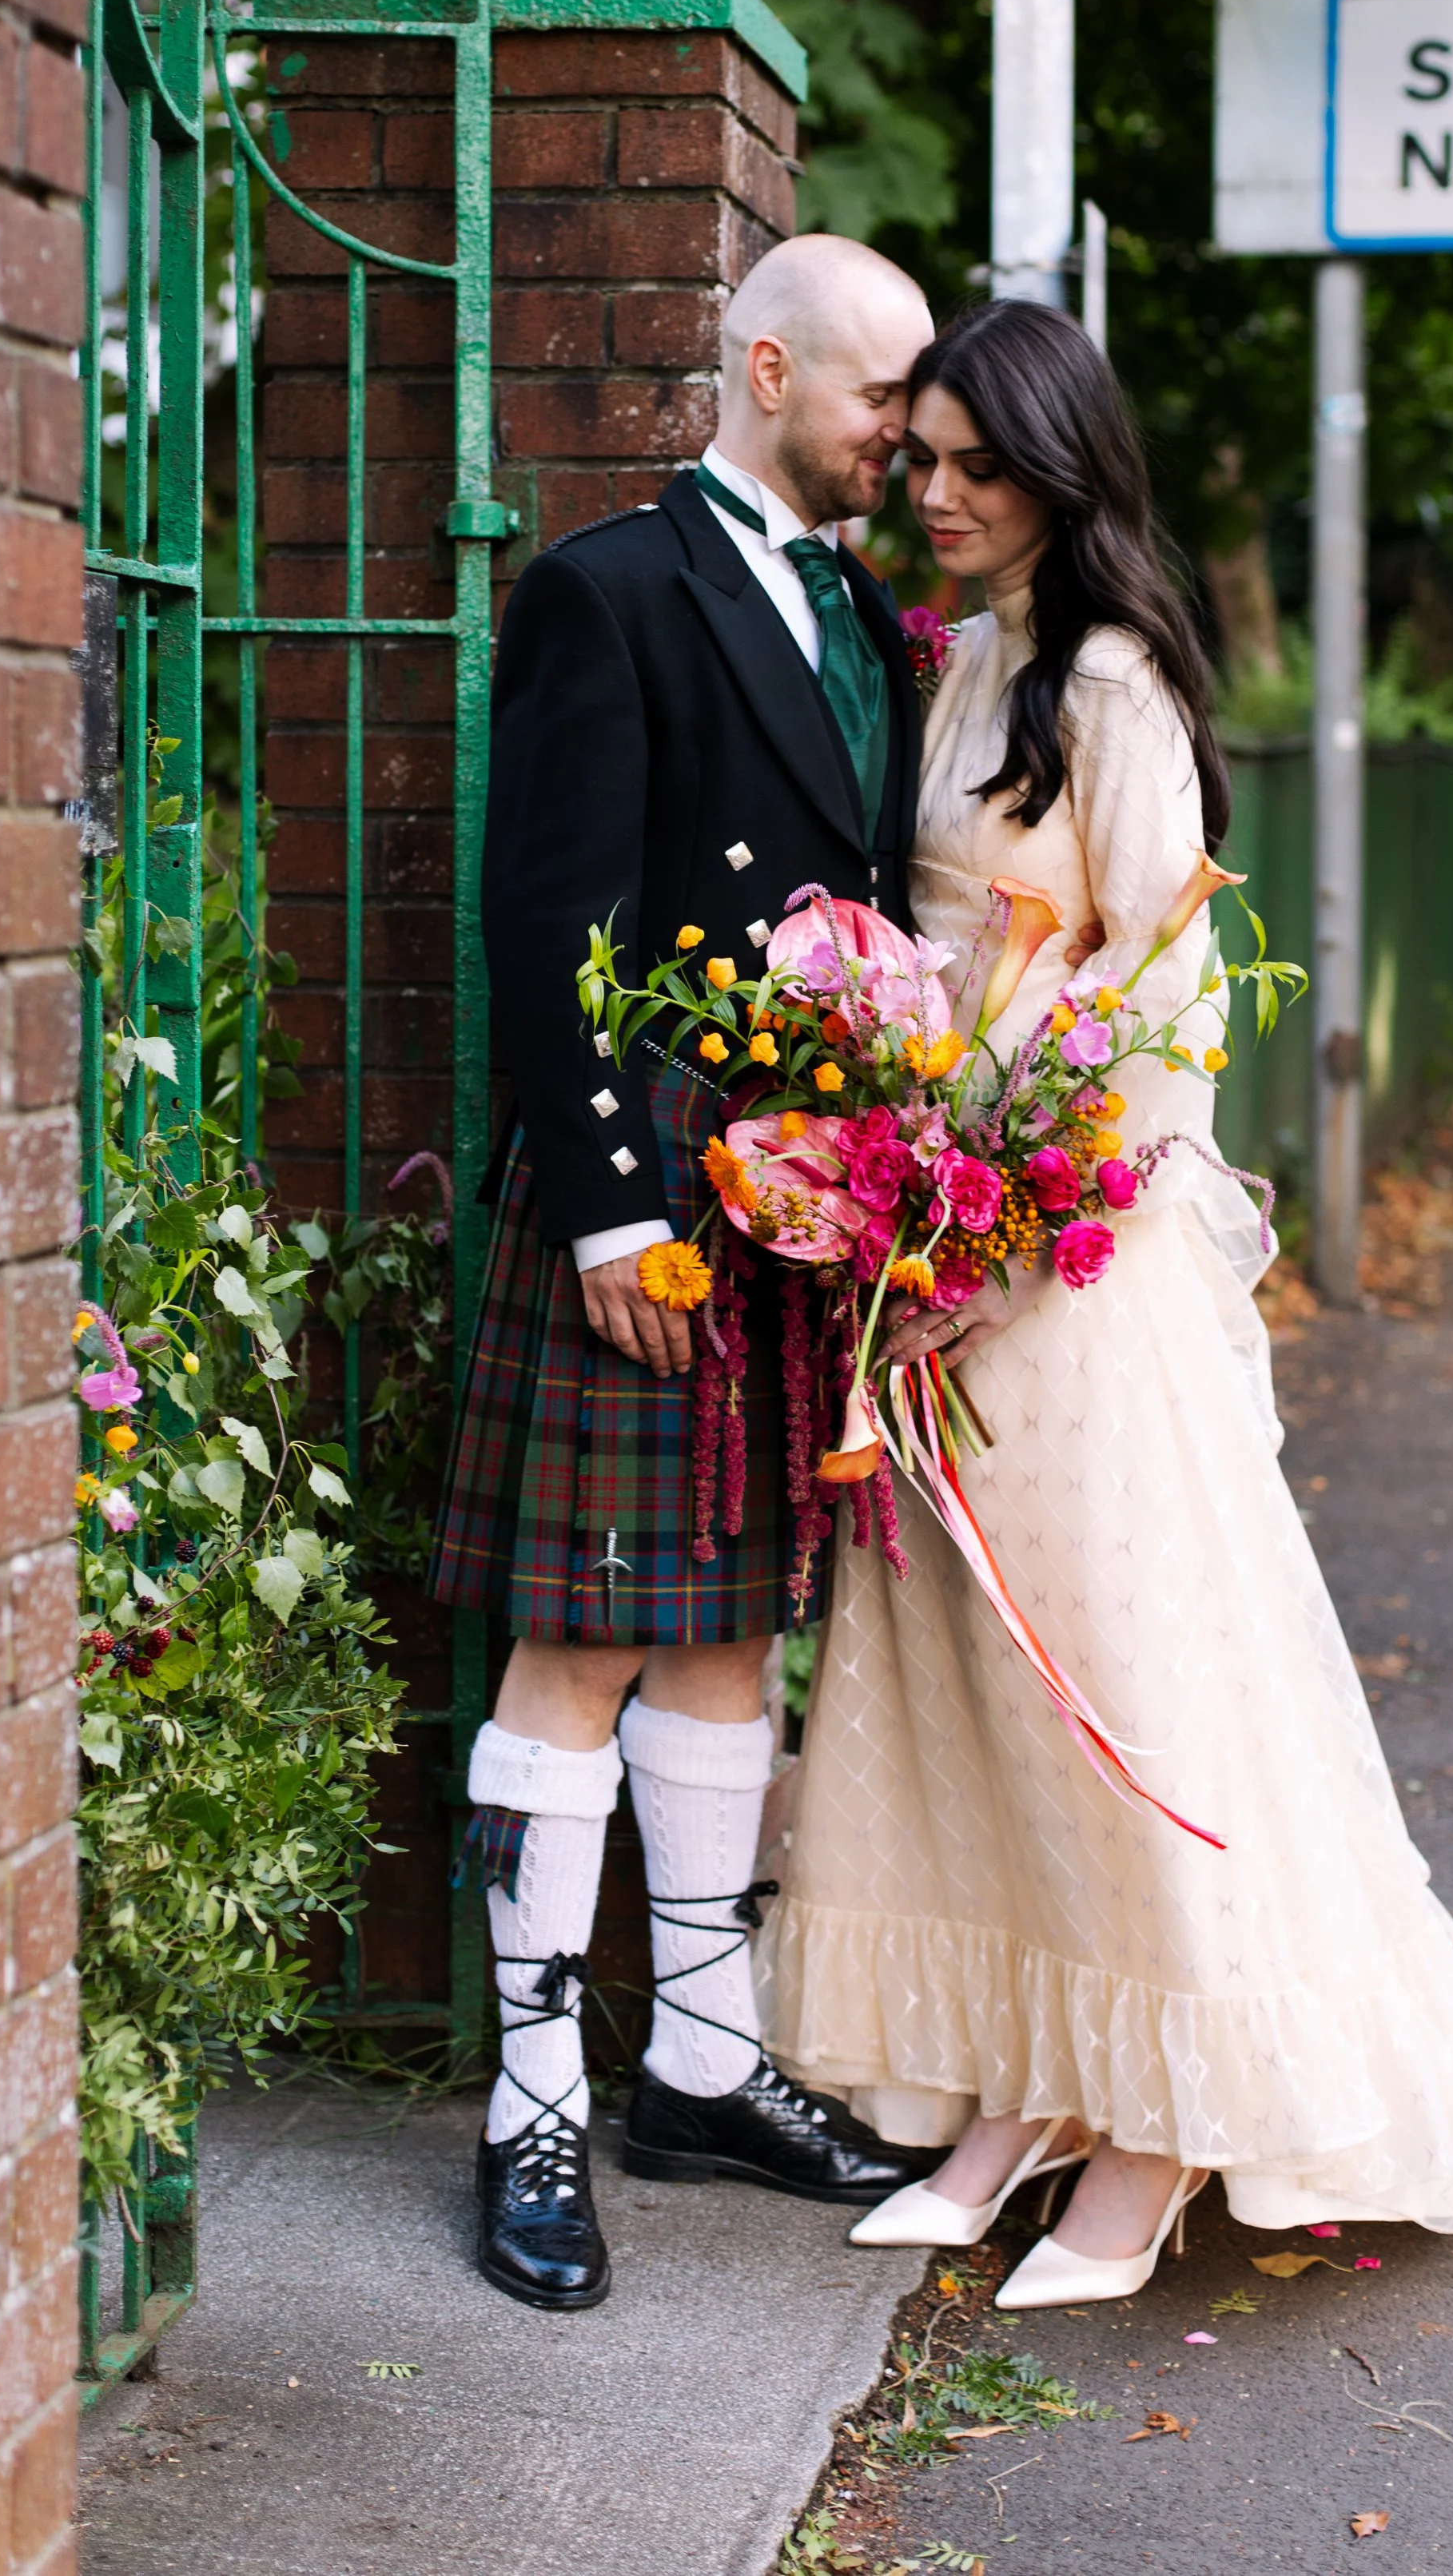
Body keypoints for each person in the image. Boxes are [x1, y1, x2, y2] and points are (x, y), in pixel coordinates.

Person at [760, 300, 1453, 2308]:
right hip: (929, 1236)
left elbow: (1160, 1008)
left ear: (1059, 468)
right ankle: (1028, 2084)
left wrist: (1000, 1233)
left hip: (1064, 1274)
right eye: (915, 455)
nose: (930, 492)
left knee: (1120, 1688)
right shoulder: (967, 659)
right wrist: (890, 1191)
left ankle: (1163, 2128)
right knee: (975, 1698)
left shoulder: (1106, 682)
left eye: (971, 463)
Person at [432, 233, 943, 2312]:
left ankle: (704, 2065)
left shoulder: (866, 625)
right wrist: (612, 1198)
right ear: (762, 362)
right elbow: (549, 914)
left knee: (732, 1630)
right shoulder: (606, 587)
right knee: (580, 1646)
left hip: (790, 1197)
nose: (902, 438)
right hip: (651, 1189)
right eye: (877, 397)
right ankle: (532, 2094)